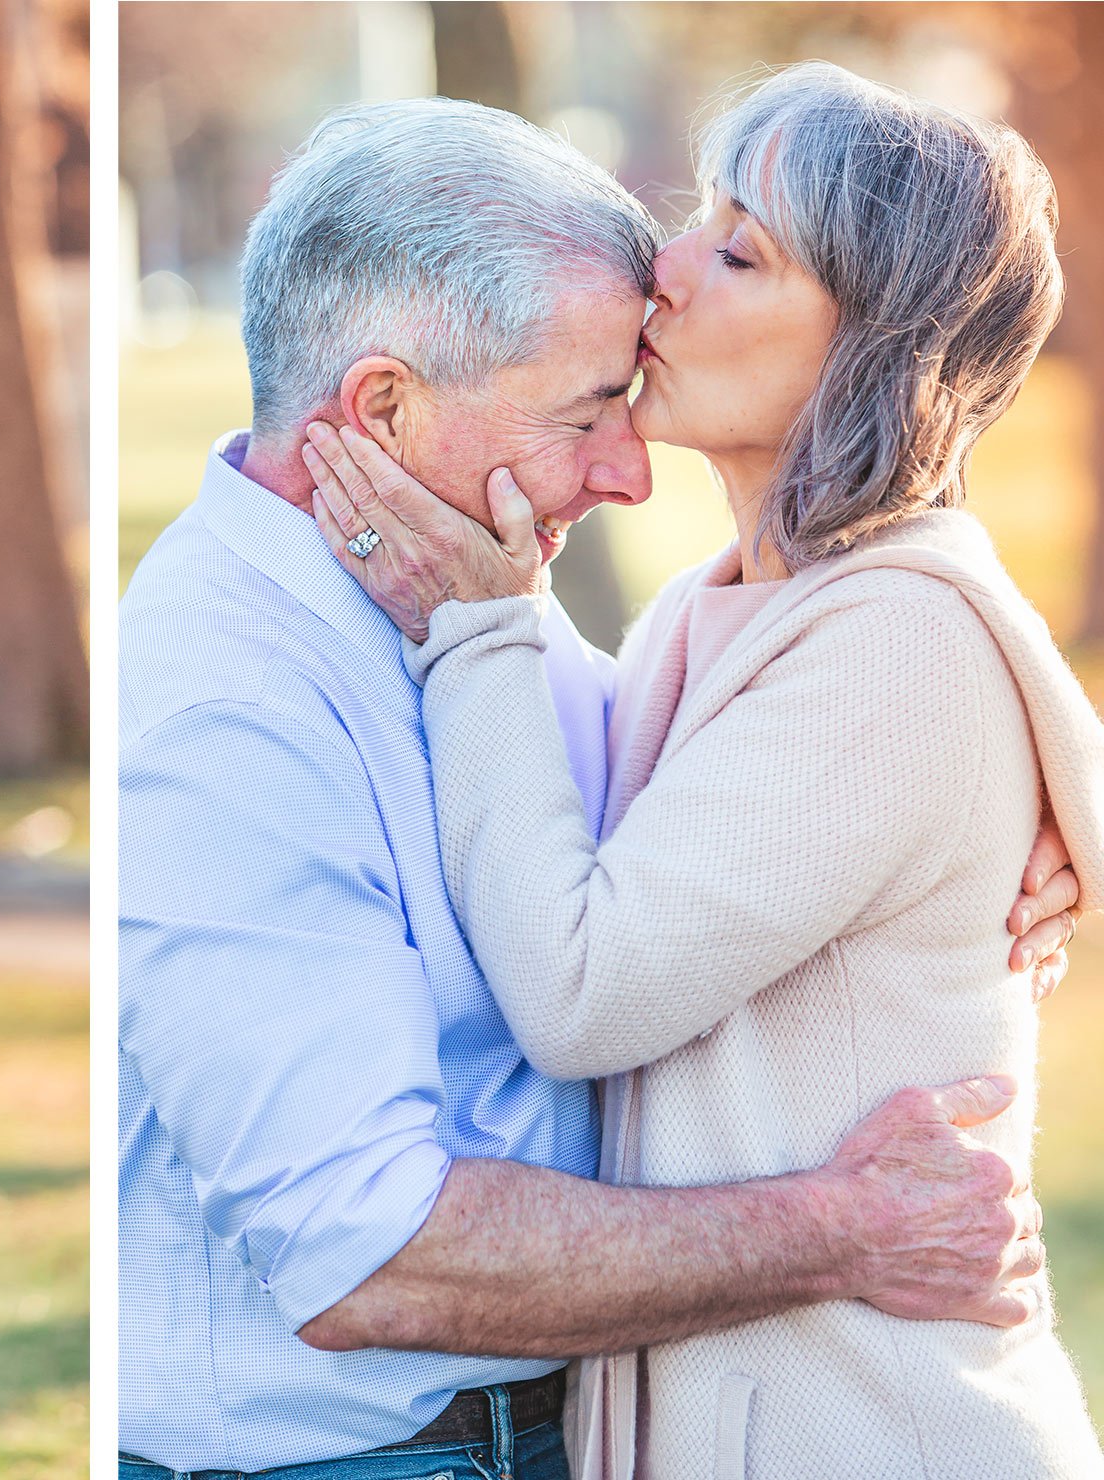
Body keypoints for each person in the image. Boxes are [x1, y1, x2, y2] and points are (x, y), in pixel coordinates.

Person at [117, 94, 1079, 1479]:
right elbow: (373, 1238)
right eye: (589, 412)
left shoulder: (539, 617)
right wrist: (848, 1221)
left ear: (869, 351)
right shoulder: (267, 688)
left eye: (741, 252)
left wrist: (1050, 823)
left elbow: (626, 915)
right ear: (382, 409)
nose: (671, 278)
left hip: (859, 1424)